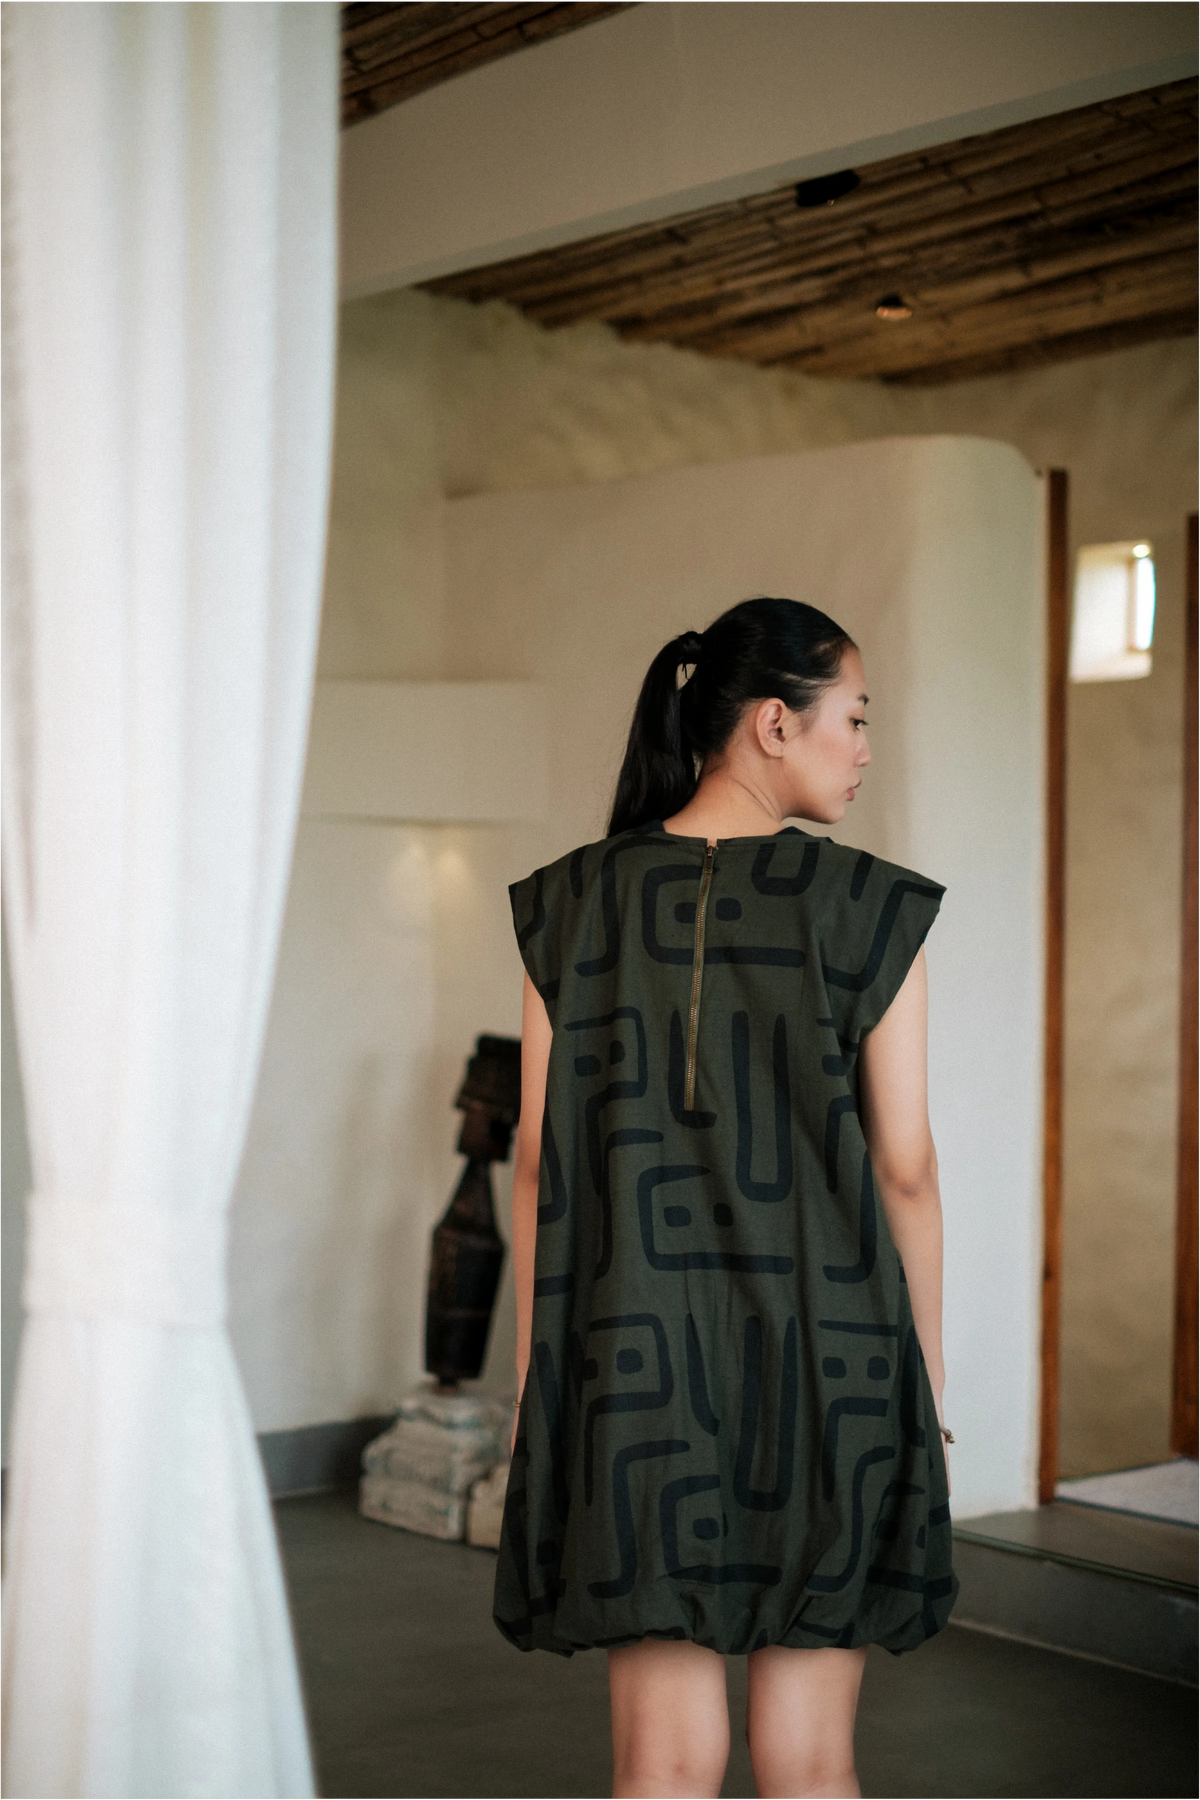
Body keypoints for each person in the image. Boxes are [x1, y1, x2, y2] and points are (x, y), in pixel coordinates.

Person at [497, 596, 956, 1800]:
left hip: (634, 1377)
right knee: (812, 1765)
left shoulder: (569, 902)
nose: (865, 749)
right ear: (773, 723)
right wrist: (924, 1372)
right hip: (832, 1368)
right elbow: (906, 1169)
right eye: (854, 718)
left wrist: (537, 1373)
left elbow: (539, 1161)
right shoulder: (869, 908)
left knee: (661, 1765)